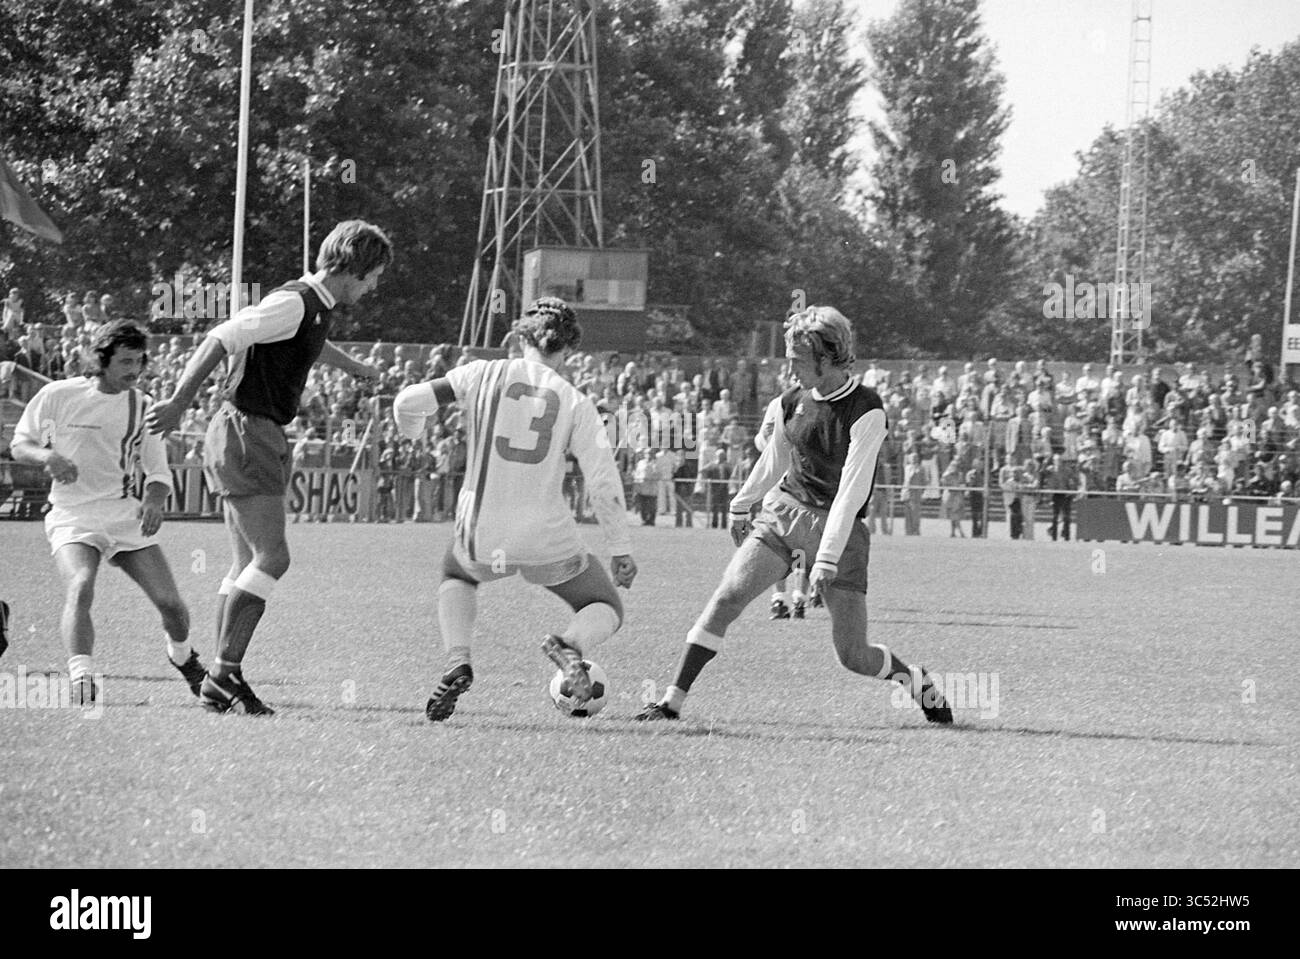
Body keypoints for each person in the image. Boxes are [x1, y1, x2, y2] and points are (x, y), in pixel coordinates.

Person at [636, 306, 952, 724]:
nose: (789, 370)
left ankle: (915, 680)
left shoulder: (867, 408)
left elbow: (849, 493)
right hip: (784, 513)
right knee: (727, 597)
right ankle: (671, 703)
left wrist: (825, 558)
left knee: (854, 656)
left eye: (797, 361)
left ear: (826, 357)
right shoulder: (791, 402)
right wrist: (741, 503)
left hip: (839, 530)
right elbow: (774, 459)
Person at [146, 219, 392, 715]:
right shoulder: (295, 300)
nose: (373, 287)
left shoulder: (314, 309)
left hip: (257, 431)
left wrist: (357, 369)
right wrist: (176, 402)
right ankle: (222, 674)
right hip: (246, 430)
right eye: (373, 277)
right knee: (273, 558)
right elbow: (221, 336)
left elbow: (309, 343)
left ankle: (221, 674)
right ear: (354, 267)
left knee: (244, 564)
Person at [392, 298, 637, 721]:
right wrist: (620, 549)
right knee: (604, 606)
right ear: (569, 349)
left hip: (482, 532)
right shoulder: (575, 401)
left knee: (456, 573)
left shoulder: (480, 373)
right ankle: (570, 643)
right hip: (547, 538)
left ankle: (458, 661)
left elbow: (407, 402)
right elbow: (602, 482)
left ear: (520, 336)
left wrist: (413, 432)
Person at [10, 320, 204, 706]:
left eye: (139, 362)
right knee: (81, 585)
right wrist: (47, 456)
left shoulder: (144, 407)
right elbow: (20, 444)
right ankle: (81, 676)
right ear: (102, 360)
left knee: (171, 606)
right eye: (126, 361)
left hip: (124, 517)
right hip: (72, 515)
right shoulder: (58, 396)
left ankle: (182, 656)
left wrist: (153, 500)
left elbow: (159, 472)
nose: (134, 370)